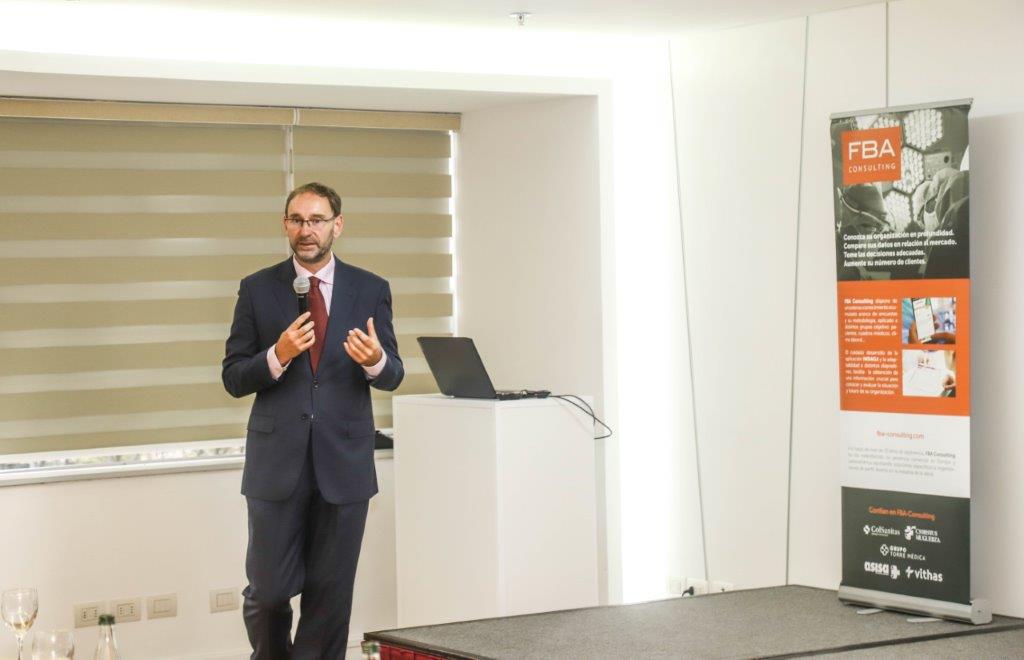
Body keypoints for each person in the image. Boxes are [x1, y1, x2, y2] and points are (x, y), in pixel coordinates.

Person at [222, 182, 404, 658]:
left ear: (336, 226)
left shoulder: (371, 289)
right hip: (275, 465)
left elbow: (393, 374)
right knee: (268, 592)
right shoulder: (257, 288)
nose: (307, 230)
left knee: (330, 600)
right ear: (286, 225)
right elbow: (233, 377)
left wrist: (375, 360)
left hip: (344, 465)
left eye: (317, 220)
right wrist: (277, 355)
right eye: (297, 220)